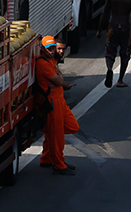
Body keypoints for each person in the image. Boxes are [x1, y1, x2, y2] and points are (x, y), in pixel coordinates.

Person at [36, 36, 79, 175]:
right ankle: (59, 164)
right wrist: (60, 82)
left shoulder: (52, 61)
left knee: (68, 127)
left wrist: (59, 81)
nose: (52, 51)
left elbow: (59, 78)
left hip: (59, 100)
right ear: (43, 49)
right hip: (52, 101)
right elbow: (59, 80)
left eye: (54, 48)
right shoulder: (42, 64)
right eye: (49, 48)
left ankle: (47, 158)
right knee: (57, 136)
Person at [100, 0, 131, 88]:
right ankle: (120, 80)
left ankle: (110, 68)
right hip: (126, 28)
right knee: (125, 54)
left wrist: (100, 30)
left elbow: (105, 13)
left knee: (110, 51)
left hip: (113, 27)